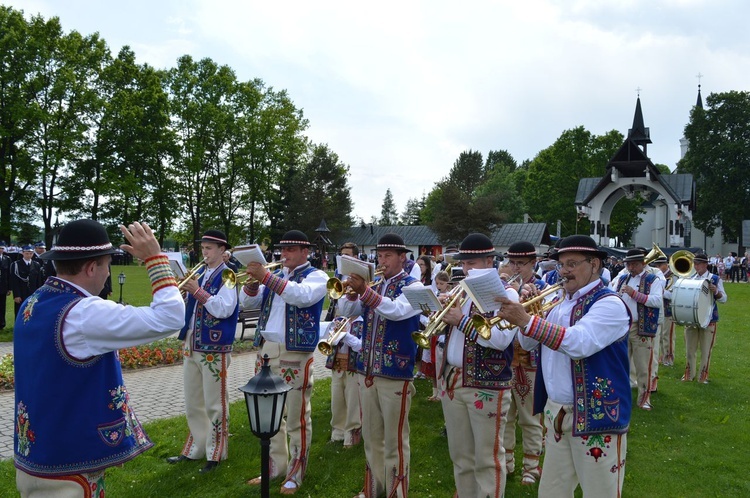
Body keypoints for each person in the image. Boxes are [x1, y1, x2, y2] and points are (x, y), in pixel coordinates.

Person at [13, 220, 185, 497]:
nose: (108, 274)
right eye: (107, 265)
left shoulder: (36, 300)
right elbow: (171, 317)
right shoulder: (84, 312)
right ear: (92, 267)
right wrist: (155, 259)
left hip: (35, 457)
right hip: (70, 466)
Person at [496, 234, 631, 497]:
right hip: (555, 413)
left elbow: (579, 343)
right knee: (551, 492)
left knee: (599, 492)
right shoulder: (559, 301)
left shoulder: (610, 304)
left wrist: (528, 320)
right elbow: (528, 342)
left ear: (595, 265)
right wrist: (528, 315)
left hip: (597, 418)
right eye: (561, 264)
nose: (564, 271)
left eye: (572, 264)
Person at [241, 230, 327, 495]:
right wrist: (254, 284)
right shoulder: (276, 276)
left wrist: (265, 277)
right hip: (267, 349)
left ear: (306, 252)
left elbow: (300, 296)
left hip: (295, 350)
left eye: (291, 249)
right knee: (270, 415)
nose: (284, 254)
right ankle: (275, 466)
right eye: (282, 249)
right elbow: (247, 302)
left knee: (297, 415)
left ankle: (296, 471)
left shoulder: (317, 276)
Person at [339, 233, 421, 498]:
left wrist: (365, 292)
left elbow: (396, 311)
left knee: (395, 441)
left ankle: (397, 492)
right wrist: (351, 294)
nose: (382, 261)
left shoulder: (414, 286)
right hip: (368, 369)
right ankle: (373, 489)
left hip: (396, 372)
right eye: (380, 256)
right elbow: (346, 312)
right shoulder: (376, 285)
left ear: (402, 258)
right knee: (372, 438)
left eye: (388, 256)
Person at [438, 234, 517, 497]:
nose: (466, 269)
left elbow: (501, 339)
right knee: (460, 457)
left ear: (489, 261)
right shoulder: (461, 292)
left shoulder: (507, 294)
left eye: (472, 263)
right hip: (453, 380)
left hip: (487, 384)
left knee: (488, 459)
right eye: (464, 263)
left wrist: (460, 321)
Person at [167, 230, 239, 474]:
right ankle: (196, 448)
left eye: (209, 248)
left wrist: (197, 291)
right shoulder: (202, 273)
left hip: (214, 348)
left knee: (215, 403)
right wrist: (188, 292)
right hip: (192, 344)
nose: (204, 253)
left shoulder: (228, 275)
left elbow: (224, 309)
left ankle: (216, 452)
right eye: (203, 248)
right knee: (193, 402)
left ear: (222, 250)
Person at [501, 241, 546, 485]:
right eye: (512, 262)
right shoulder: (504, 288)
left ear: (533, 263)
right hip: (506, 360)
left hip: (531, 361)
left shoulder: (543, 288)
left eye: (521, 263)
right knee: (506, 415)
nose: (515, 268)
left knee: (530, 417)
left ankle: (531, 466)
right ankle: (506, 462)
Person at [609, 249, 662, 410]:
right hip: (624, 326)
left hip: (641, 326)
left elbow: (657, 301)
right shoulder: (623, 277)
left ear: (643, 264)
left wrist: (635, 294)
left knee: (642, 366)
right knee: (621, 364)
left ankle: (644, 399)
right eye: (629, 264)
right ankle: (621, 397)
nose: (631, 267)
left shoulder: (653, 279)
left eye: (634, 264)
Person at [326, 241, 363, 448]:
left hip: (358, 327)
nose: (344, 259)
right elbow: (339, 307)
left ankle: (352, 431)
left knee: (353, 393)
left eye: (348, 255)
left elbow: (356, 308)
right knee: (336, 393)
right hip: (340, 328)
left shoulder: (365, 278)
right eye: (342, 256)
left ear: (356, 257)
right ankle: (337, 430)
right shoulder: (339, 278)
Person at [682, 251, 727, 384]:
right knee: (690, 348)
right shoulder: (690, 278)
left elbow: (724, 299)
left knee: (706, 349)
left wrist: (716, 292)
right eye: (695, 263)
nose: (696, 266)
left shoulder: (715, 279)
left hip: (709, 318)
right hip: (692, 318)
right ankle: (689, 374)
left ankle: (703, 376)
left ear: (706, 264)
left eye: (699, 263)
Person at [10, 245, 43, 317]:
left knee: (32, 310)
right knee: (20, 310)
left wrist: (38, 294)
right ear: (22, 253)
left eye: (31, 253)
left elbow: (39, 281)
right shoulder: (16, 264)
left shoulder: (36, 265)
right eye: (27, 253)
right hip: (21, 292)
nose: (29, 255)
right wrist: (16, 295)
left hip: (32, 292)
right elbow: (14, 281)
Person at [0, 242, 10, 329]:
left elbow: (8, 274)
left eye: (2, 248)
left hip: (3, 286)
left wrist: (9, 288)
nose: (1, 250)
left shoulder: (6, 259)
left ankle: (2, 324)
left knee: (2, 305)